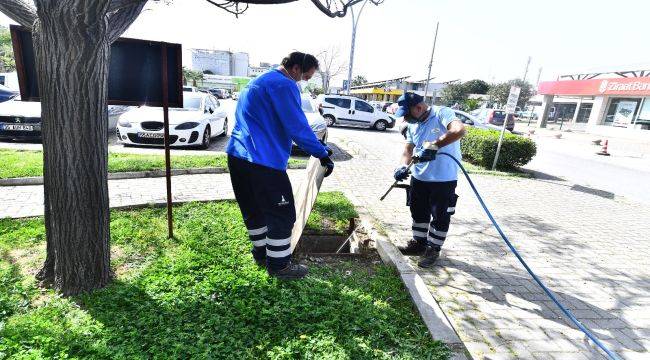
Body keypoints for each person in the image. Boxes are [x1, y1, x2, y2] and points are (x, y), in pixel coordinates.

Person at [226, 51, 335, 280]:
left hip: (237, 156)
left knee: (253, 210)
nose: (303, 82)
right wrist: (321, 153)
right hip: (263, 161)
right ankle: (279, 266)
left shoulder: (257, 82)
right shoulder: (284, 85)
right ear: (295, 68)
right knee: (282, 214)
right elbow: (297, 127)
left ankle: (261, 254)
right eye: (305, 76)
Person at [393, 92, 466, 268]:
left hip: (443, 179)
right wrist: (402, 166)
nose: (405, 118)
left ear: (418, 107)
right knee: (418, 212)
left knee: (440, 216)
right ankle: (419, 244)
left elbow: (459, 130)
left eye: (406, 114)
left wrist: (434, 146)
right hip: (419, 178)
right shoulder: (413, 124)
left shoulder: (442, 113)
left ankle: (433, 248)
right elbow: (408, 149)